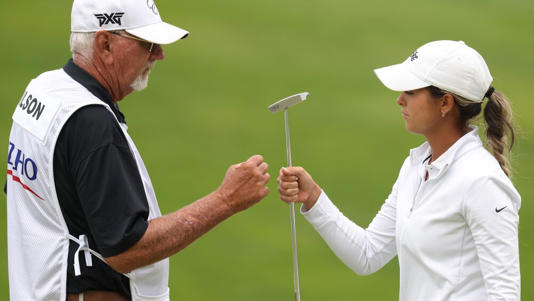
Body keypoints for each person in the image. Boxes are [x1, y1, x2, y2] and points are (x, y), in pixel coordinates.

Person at [5, 0, 270, 300]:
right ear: (104, 44)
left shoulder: (43, 91)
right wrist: (225, 200)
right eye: (147, 43)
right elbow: (126, 250)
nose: (159, 54)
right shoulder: (91, 123)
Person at [277, 40, 521, 300]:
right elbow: (367, 255)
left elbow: (505, 294)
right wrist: (313, 197)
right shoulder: (416, 167)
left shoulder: (482, 180)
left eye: (411, 92)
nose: (399, 100)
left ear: (445, 103)